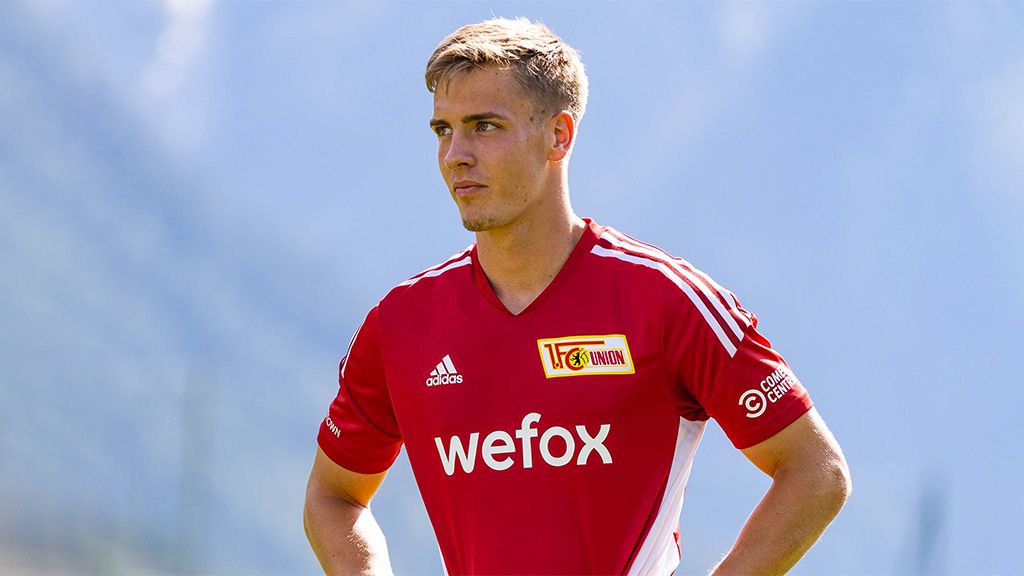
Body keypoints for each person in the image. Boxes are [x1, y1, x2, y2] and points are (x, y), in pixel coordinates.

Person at [304, 17, 851, 575]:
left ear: (559, 135)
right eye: (443, 130)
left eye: (485, 126)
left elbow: (815, 471)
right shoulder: (401, 325)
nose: (456, 155)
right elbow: (334, 495)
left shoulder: (664, 299)